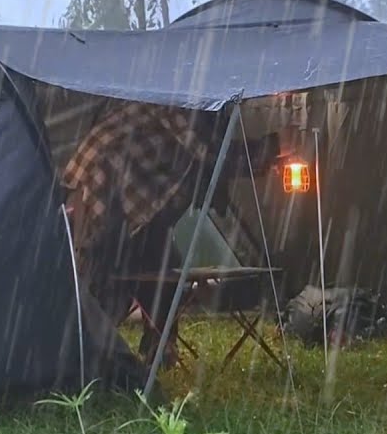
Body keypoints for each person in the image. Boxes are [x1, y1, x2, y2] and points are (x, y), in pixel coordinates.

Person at [62, 101, 280, 369]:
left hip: (118, 191)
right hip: (103, 189)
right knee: (103, 271)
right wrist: (266, 151)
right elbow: (208, 151)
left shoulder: (172, 89)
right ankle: (83, 354)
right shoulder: (180, 99)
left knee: (159, 267)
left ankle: (157, 349)